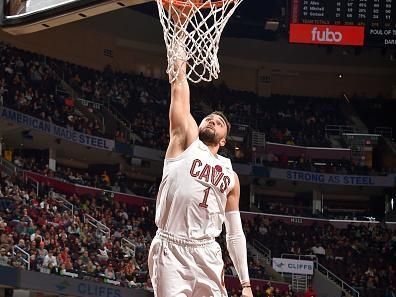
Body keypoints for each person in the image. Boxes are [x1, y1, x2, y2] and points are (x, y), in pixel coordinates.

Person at [148, 13, 253, 297]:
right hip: (172, 247)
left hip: (208, 250)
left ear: (224, 140)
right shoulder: (186, 140)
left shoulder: (230, 177)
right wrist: (180, 31)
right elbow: (179, 84)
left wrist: (245, 284)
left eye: (219, 123)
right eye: (209, 118)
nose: (212, 121)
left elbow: (234, 233)